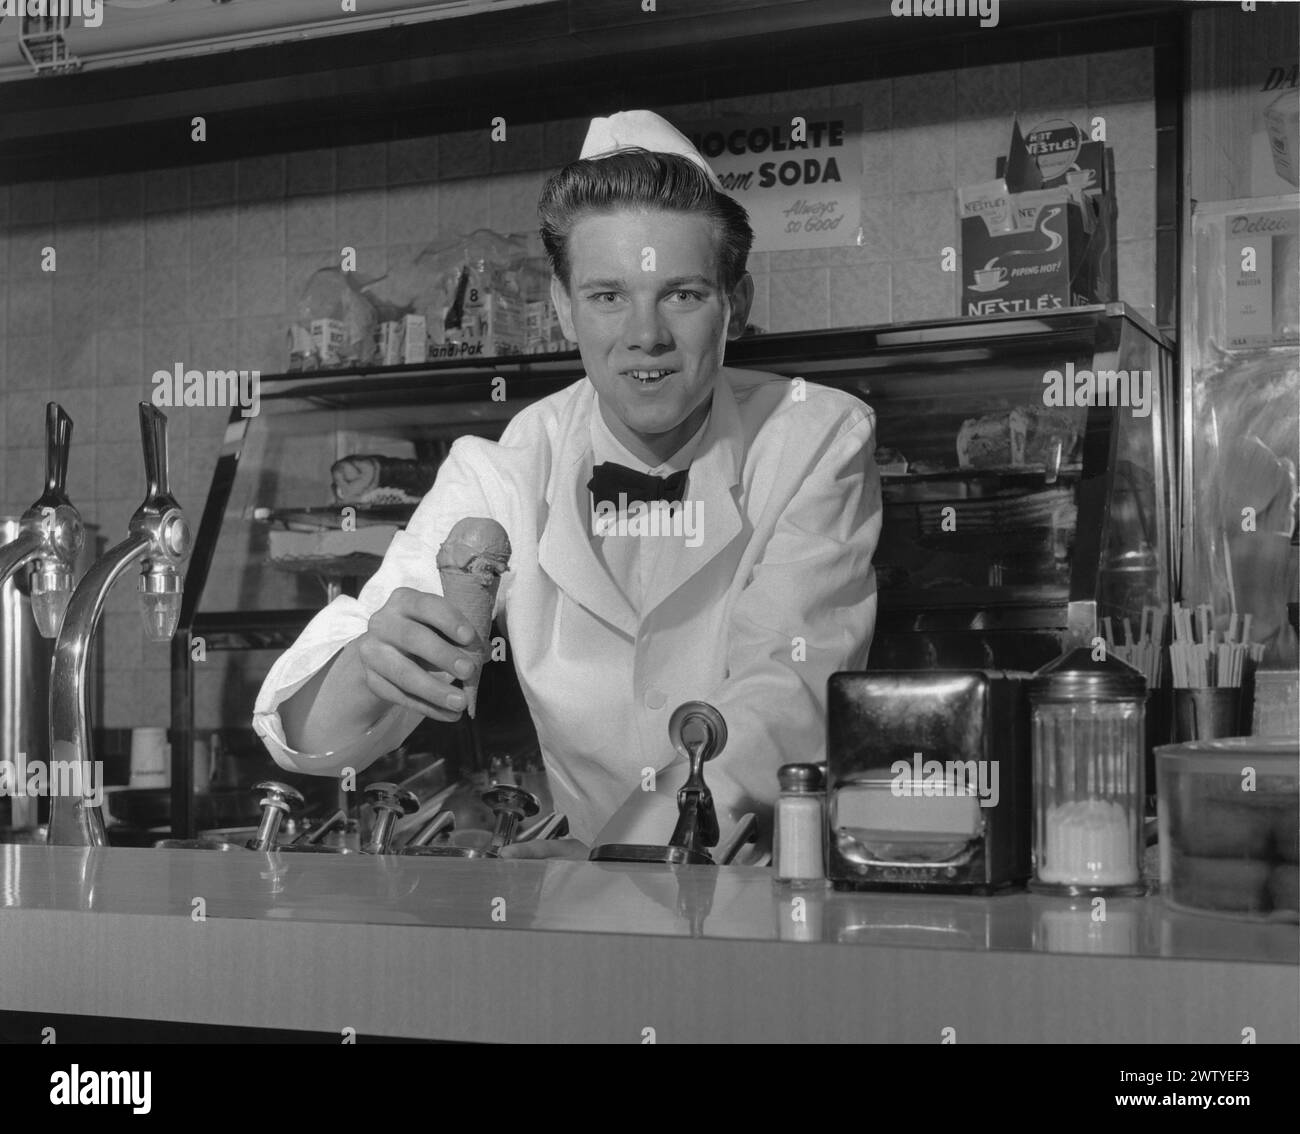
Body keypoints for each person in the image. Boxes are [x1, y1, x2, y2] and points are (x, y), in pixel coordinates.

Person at [253, 110, 882, 858]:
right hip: (588, 926)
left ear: (734, 304)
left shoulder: (815, 437)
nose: (644, 335)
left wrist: (615, 864)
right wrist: (371, 664)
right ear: (561, 307)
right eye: (607, 296)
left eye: (681, 293)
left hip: (771, 899)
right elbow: (309, 735)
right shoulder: (507, 470)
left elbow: (783, 697)